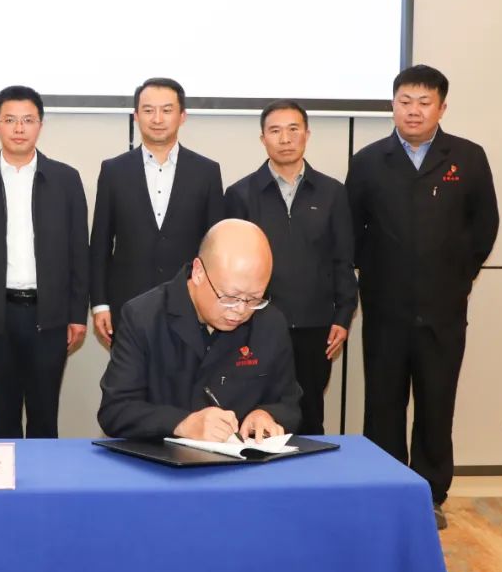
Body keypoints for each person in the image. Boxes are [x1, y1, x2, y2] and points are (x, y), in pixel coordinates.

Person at [346, 64, 499, 529]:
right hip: (385, 308)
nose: (413, 111)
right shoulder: (368, 161)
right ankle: (384, 488)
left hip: (443, 309)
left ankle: (429, 494)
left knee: (436, 403)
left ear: (442, 107)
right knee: (383, 404)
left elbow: (484, 226)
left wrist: (457, 276)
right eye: (405, 101)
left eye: (424, 102)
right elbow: (353, 232)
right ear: (392, 105)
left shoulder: (468, 158)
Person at [0, 85, 89, 438]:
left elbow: (79, 252)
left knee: (45, 418)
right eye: (10, 120)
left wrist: (77, 314)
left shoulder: (66, 180)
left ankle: (43, 476)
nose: (19, 128)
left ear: (40, 125)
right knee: (3, 420)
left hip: (50, 317)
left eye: (28, 120)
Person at [98, 219, 301, 440]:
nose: (241, 310)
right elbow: (115, 410)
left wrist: (267, 415)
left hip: (242, 458)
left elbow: (289, 403)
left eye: (254, 298)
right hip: (162, 458)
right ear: (198, 272)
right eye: (230, 297)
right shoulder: (143, 318)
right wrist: (181, 424)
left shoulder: (270, 323)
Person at [224, 100, 357, 434]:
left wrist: (343, 317)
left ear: (307, 135)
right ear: (262, 139)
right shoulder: (240, 194)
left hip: (315, 326)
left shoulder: (332, 192)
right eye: (275, 130)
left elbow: (343, 260)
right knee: (253, 412)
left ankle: (309, 469)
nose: (285, 139)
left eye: (293, 129)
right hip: (255, 325)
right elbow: (229, 266)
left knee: (309, 414)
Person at [90, 77, 223, 347]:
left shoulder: (206, 171)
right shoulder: (113, 171)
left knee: (188, 375)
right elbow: (100, 244)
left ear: (182, 116)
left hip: (191, 305)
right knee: (129, 375)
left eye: (167, 110)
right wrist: (100, 304)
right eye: (148, 110)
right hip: (127, 305)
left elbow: (215, 247)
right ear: (136, 116)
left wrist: (214, 301)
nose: (157, 119)